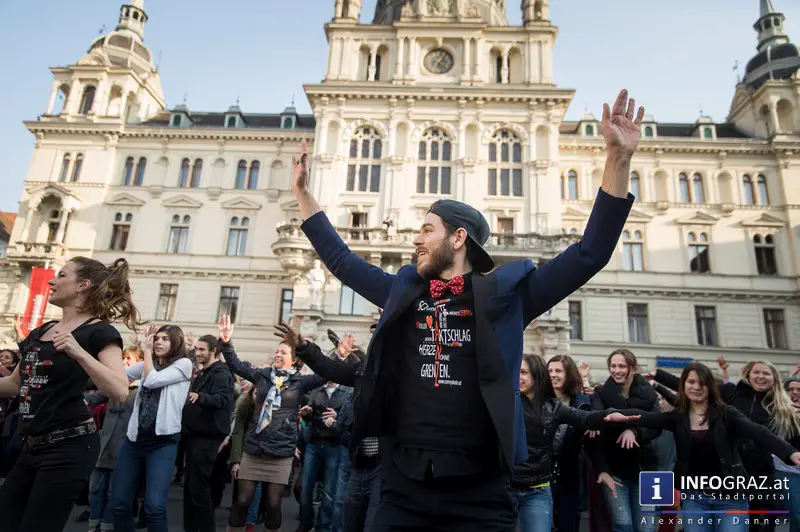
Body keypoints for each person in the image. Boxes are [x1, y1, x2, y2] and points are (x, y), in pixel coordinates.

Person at [290, 89, 645, 529]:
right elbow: (342, 261)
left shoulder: (507, 297)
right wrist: (303, 194)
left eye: (427, 230)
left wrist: (618, 159)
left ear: (458, 238)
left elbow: (590, 254)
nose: (416, 239)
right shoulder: (404, 291)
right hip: (402, 487)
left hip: (481, 493)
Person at [0, 257, 136, 532]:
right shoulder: (41, 331)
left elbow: (120, 390)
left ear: (83, 285)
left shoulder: (99, 332)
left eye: (62, 275)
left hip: (69, 446)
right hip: (31, 444)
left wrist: (78, 352)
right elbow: (16, 383)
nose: (52, 280)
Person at [606, 362, 800, 532]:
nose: (696, 387)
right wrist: (616, 414)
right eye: (691, 382)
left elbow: (758, 431)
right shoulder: (678, 417)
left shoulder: (727, 413)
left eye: (702, 383)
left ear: (711, 387)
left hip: (730, 498)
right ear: (684, 386)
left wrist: (790, 453)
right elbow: (647, 417)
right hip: (694, 498)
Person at [219, 315, 327, 532]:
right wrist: (226, 341)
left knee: (273, 504)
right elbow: (235, 364)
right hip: (254, 449)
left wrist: (313, 349)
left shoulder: (300, 382)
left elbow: (325, 373)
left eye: (283, 352)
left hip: (281, 453)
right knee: (242, 501)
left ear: (294, 360)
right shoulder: (263, 376)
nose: (277, 354)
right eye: (277, 351)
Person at [111, 324, 193, 532]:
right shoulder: (150, 364)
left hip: (162, 444)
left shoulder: (184, 364)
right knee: (119, 503)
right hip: (134, 441)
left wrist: (146, 351)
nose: (158, 342)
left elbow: (152, 381)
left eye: (165, 339)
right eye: (157, 338)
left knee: (154, 507)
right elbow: (121, 374)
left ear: (176, 342)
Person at [182, 334, 235, 532]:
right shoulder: (205, 372)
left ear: (213, 351)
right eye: (196, 349)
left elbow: (222, 400)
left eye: (202, 349)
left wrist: (199, 396)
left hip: (207, 439)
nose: (197, 353)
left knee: (199, 491)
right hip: (195, 437)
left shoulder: (220, 373)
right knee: (191, 489)